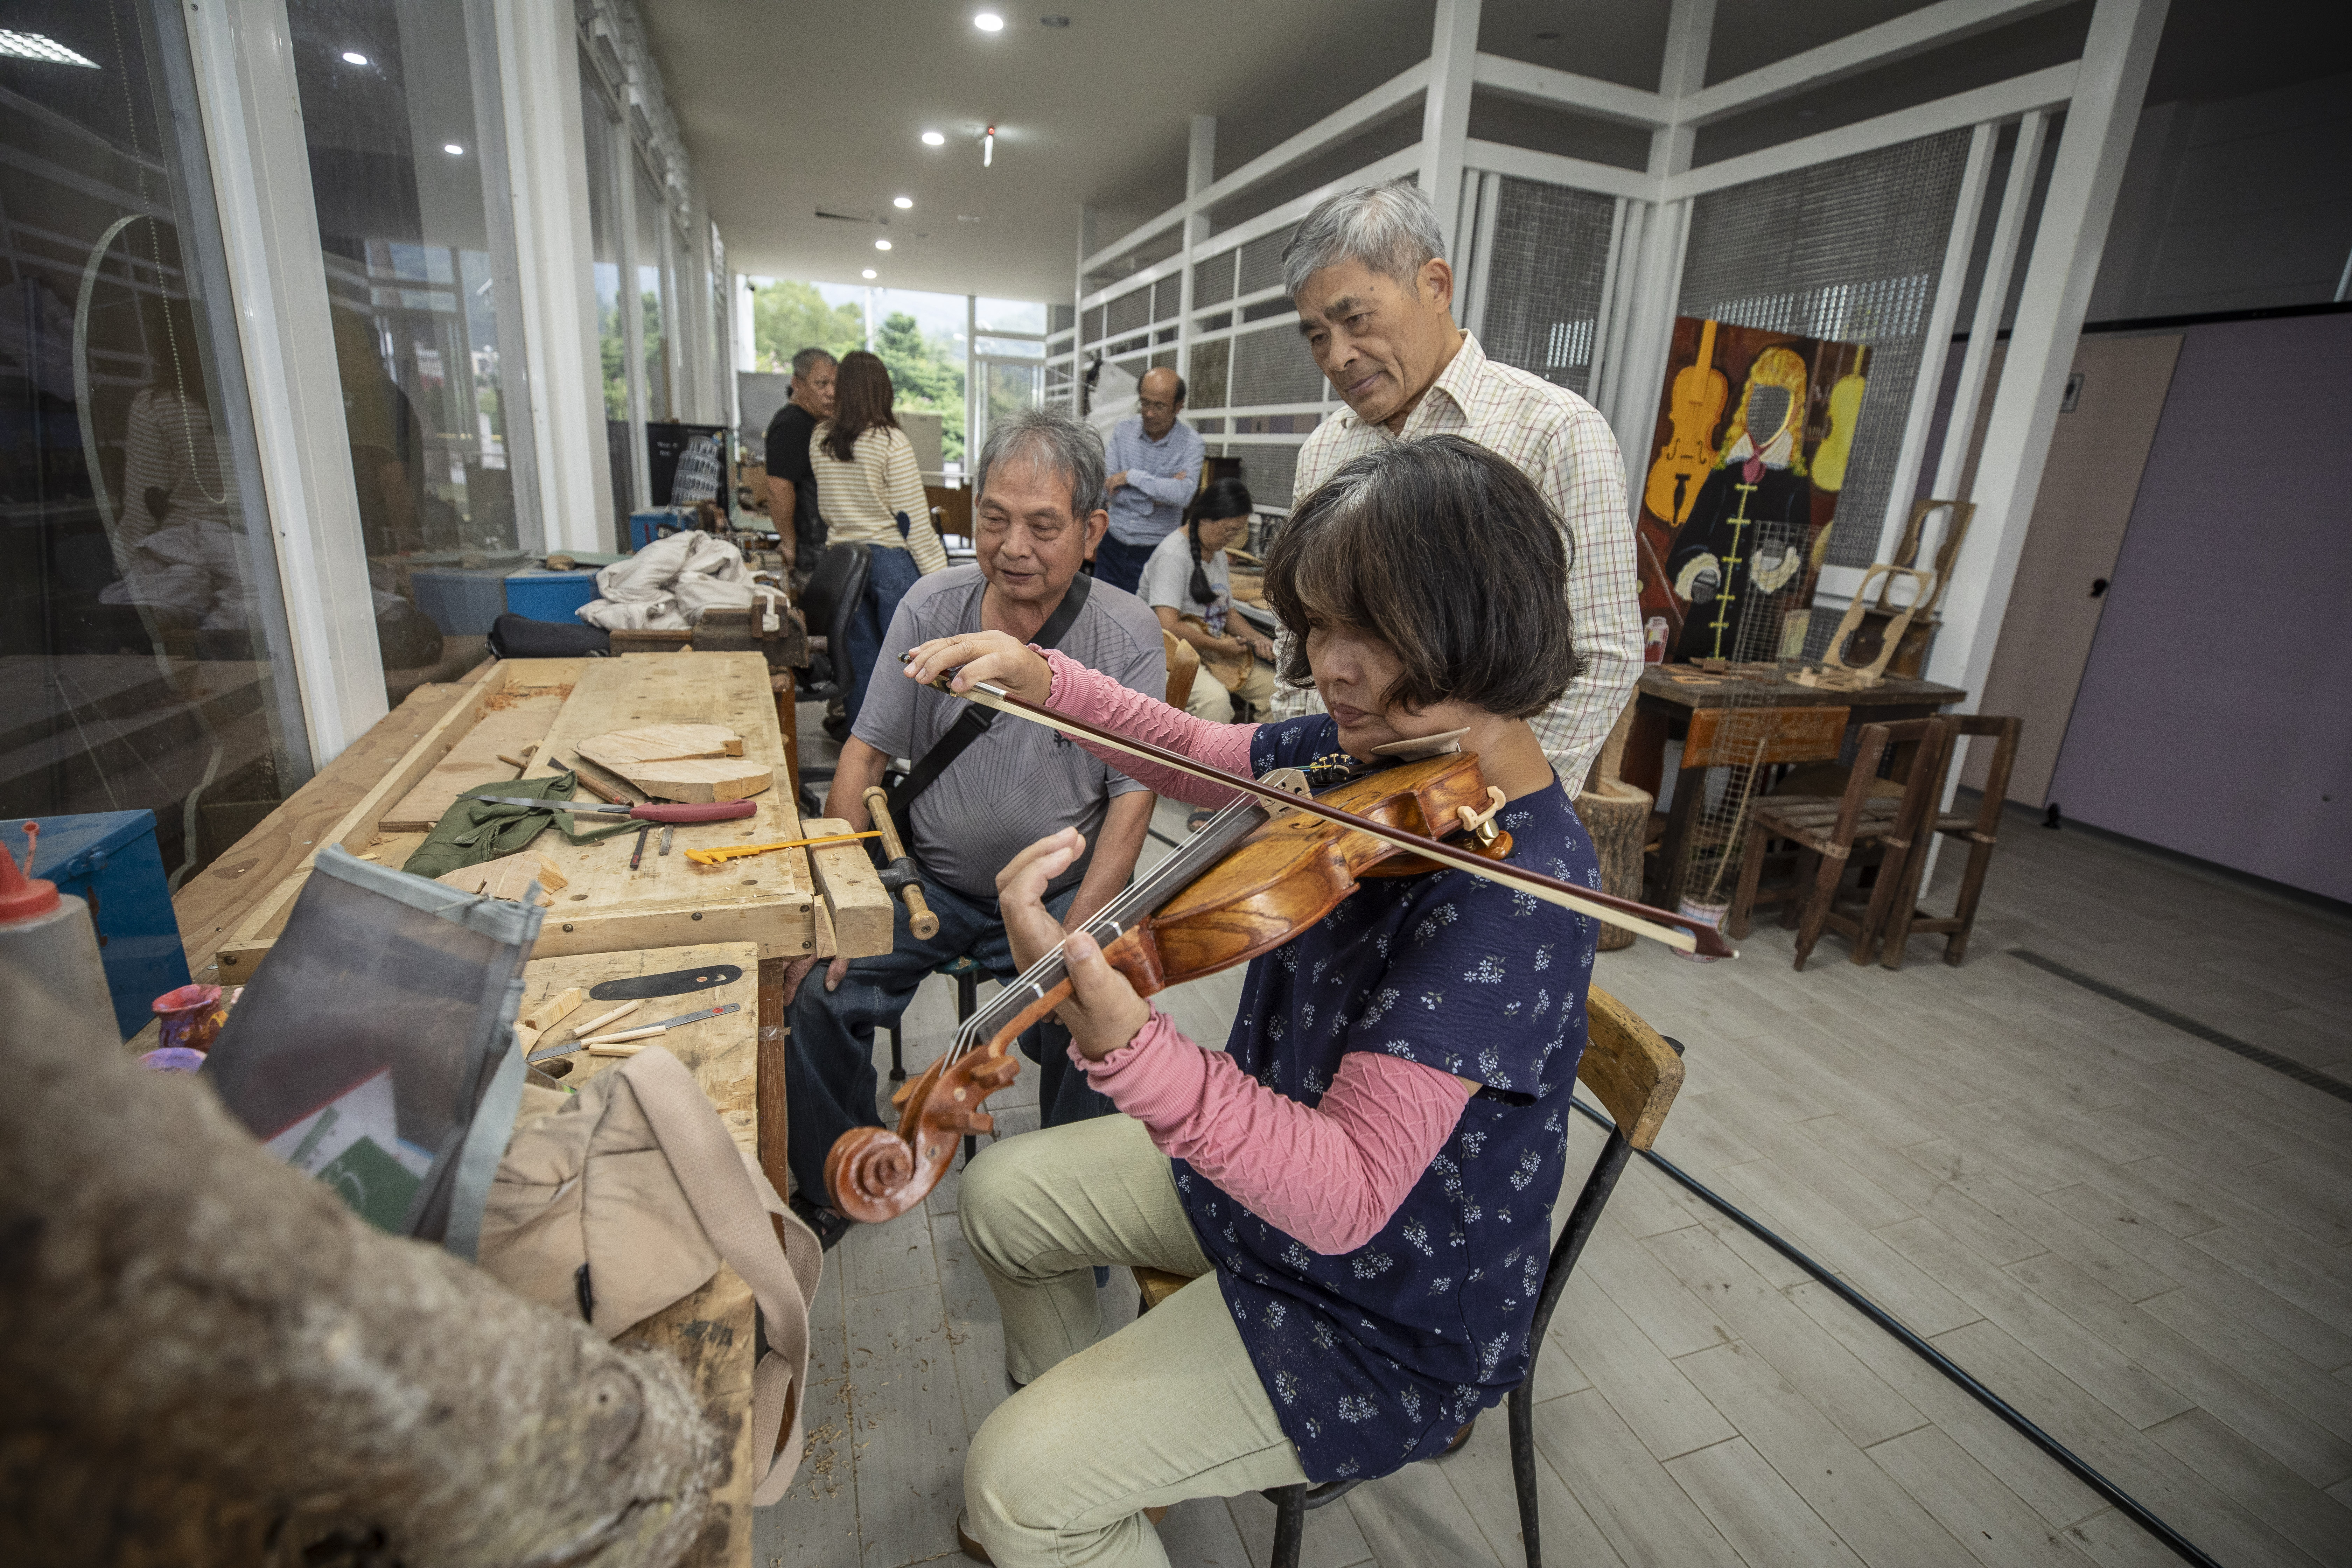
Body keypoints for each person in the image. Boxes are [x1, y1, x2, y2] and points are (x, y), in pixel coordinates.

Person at [898, 436, 1599, 1566]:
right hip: (1267, 1201)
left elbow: (1350, 1195)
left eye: (1368, 630)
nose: (1331, 663)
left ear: (1482, 620)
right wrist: (1050, 681)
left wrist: (1130, 1047)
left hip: (1388, 1303)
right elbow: (1207, 749)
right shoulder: (1378, 745)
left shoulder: (1519, 900)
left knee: (1013, 1490)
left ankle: (1071, 1485)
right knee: (1003, 1199)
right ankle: (1109, 1448)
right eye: (1318, 624)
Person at [783, 407, 1167, 1251]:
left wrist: (1075, 940)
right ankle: (843, 1177)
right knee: (816, 993)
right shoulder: (931, 605)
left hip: (1058, 894)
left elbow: (1133, 802)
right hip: (930, 885)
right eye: (994, 518)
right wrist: (839, 902)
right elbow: (862, 759)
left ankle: (1075, 1220)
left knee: (1104, 1022)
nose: (1012, 546)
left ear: (1093, 532)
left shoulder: (1128, 636)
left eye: (1042, 525)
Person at [1278, 177, 1640, 792]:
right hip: (1344, 804)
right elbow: (1299, 643)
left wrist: (1506, 802)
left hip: (1480, 812)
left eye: (1356, 320)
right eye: (1317, 336)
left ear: (1435, 285)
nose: (1338, 357)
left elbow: (1605, 654)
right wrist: (1300, 780)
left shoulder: (1554, 429)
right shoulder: (1326, 450)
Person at [808, 349, 951, 728]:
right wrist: (942, 579)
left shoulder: (821, 439)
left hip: (844, 565)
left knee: (862, 668)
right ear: (881, 390)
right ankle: (922, 747)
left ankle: (869, 755)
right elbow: (913, 522)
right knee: (918, 664)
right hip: (890, 563)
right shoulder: (890, 441)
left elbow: (827, 507)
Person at [1137, 476, 1276, 722]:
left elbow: (1228, 612)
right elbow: (1168, 626)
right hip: (1174, 654)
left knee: (1275, 692)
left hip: (1213, 651)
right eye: (1229, 530)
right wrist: (1223, 646)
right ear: (1205, 517)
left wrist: (1257, 638)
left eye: (1237, 531)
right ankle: (1203, 761)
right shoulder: (1173, 555)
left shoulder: (1218, 554)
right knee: (1215, 702)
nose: (1232, 539)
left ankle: (1259, 759)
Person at [1093, 366, 1203, 594]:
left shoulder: (1192, 444)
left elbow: (1183, 495)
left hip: (1157, 550)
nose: (1149, 413)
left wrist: (1130, 477)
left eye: (1159, 406)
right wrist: (1158, 496)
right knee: (1099, 615)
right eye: (1145, 403)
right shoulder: (1123, 431)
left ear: (1179, 405)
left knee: (1142, 623)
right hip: (1112, 543)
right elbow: (1105, 489)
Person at [764, 346, 835, 576]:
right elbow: (779, 486)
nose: (831, 393)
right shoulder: (792, 424)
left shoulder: (818, 424)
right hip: (811, 549)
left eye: (835, 385)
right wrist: (788, 544)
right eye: (822, 384)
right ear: (797, 384)